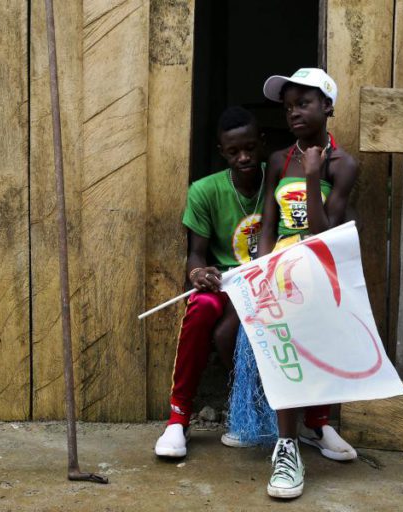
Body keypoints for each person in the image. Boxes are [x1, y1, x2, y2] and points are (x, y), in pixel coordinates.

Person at [257, 68, 359, 498]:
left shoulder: (343, 164)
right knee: (285, 354)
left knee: (315, 354)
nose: (294, 112)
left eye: (304, 103)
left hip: (319, 272)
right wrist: (260, 268)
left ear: (327, 107)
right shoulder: (280, 159)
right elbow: (268, 221)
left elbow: (323, 234)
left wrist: (314, 176)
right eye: (288, 107)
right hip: (280, 272)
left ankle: (316, 427)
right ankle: (287, 446)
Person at [154, 106, 266, 458]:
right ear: (222, 152)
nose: (243, 157)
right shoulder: (204, 191)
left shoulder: (276, 178)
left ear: (260, 143)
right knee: (200, 306)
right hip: (226, 282)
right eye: (234, 152)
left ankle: (276, 411)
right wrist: (198, 274)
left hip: (267, 281)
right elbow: (197, 253)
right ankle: (178, 418)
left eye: (249, 148)